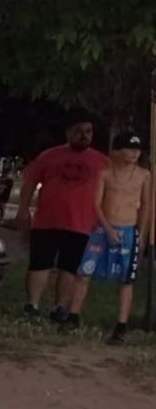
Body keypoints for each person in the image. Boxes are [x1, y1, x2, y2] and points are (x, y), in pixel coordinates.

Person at [16, 118, 110, 323]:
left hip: (82, 225)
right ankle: (32, 305)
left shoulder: (102, 161)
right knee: (39, 265)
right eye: (78, 130)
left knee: (70, 268)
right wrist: (23, 209)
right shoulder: (49, 155)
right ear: (68, 132)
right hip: (46, 221)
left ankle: (61, 308)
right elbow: (30, 182)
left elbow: (111, 192)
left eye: (88, 131)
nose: (84, 135)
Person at [67, 133, 151, 343]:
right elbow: (96, 204)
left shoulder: (144, 175)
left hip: (128, 230)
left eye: (137, 150)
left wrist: (141, 232)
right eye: (129, 149)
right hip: (103, 229)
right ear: (118, 151)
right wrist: (107, 228)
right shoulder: (105, 174)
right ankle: (73, 316)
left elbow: (147, 206)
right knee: (83, 272)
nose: (134, 153)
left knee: (126, 279)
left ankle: (121, 326)